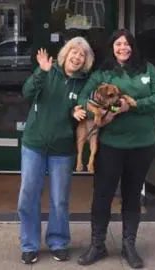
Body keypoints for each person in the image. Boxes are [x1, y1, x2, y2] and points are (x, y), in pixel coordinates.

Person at [75, 29, 155, 269]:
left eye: (126, 44)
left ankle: (129, 245)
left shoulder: (149, 70)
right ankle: (98, 244)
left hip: (142, 145)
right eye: (118, 44)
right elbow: (84, 97)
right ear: (112, 48)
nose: (123, 48)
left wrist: (133, 107)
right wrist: (104, 110)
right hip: (110, 146)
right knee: (102, 196)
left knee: (132, 196)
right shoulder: (103, 73)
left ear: (133, 47)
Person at [17, 37, 94, 265]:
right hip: (34, 144)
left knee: (59, 199)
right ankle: (29, 245)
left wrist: (78, 112)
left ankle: (58, 242)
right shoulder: (49, 71)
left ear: (86, 60)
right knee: (28, 196)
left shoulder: (84, 83)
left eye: (82, 55)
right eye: (74, 52)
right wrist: (41, 71)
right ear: (65, 53)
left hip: (63, 148)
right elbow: (27, 92)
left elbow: (86, 107)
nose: (77, 57)